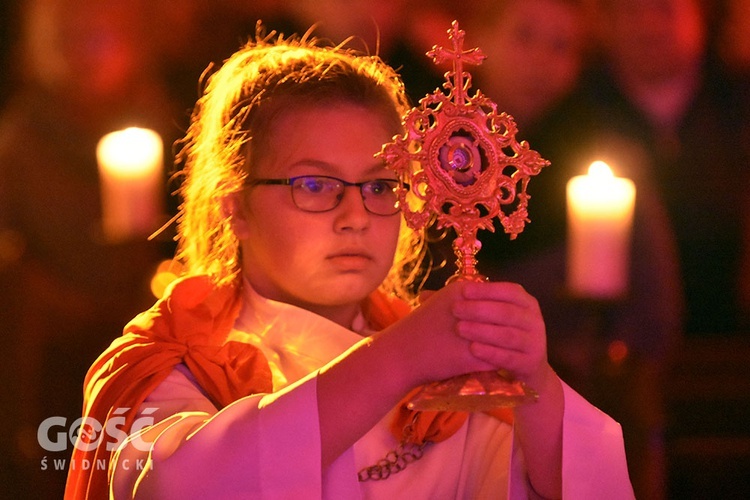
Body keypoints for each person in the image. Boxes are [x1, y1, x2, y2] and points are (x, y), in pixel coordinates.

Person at [65, 29, 634, 499]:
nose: (355, 215)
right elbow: (182, 485)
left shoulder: (449, 385)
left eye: (381, 185)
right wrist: (399, 358)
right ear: (234, 207)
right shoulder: (172, 365)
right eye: (314, 184)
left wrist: (534, 384)